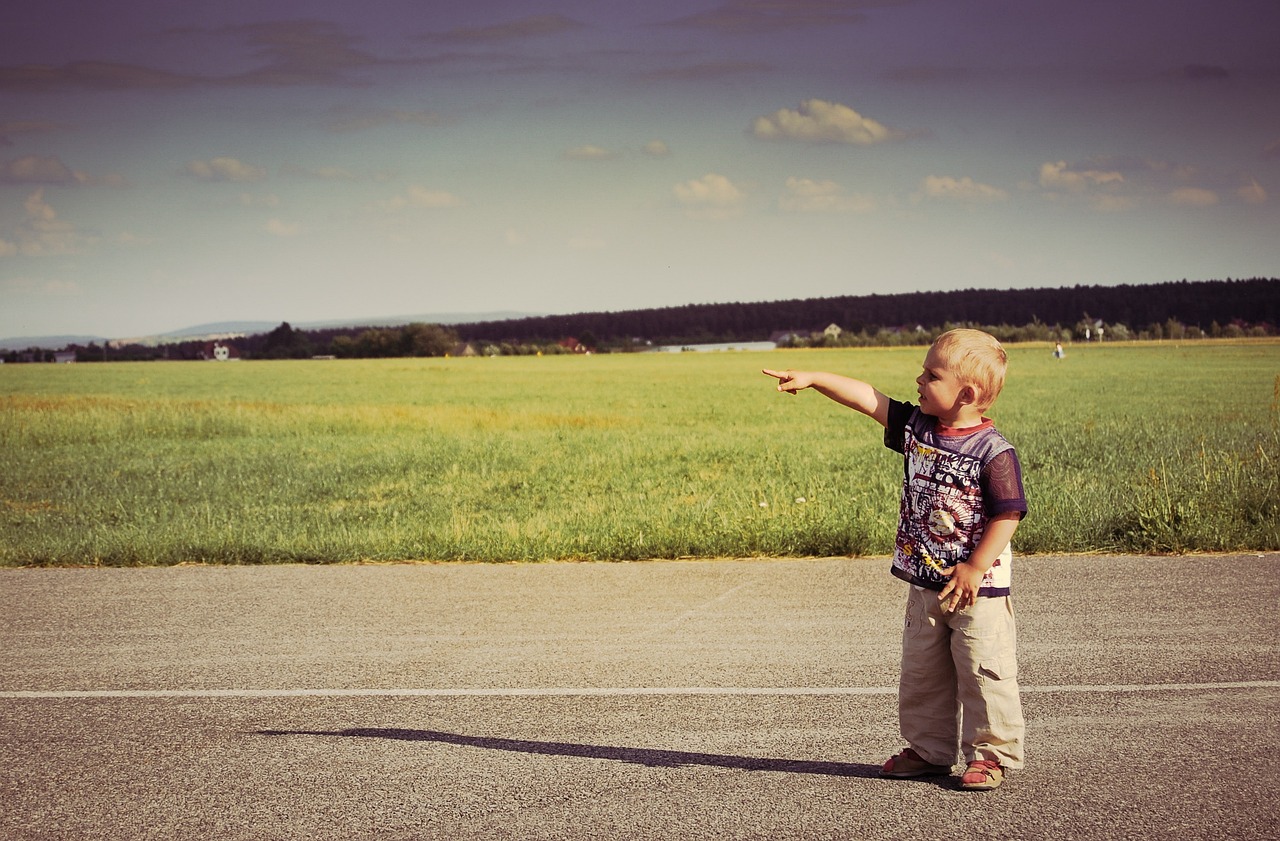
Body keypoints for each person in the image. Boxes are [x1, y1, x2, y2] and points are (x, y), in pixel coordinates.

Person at [763, 328, 1027, 791]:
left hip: (976, 588)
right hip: (925, 581)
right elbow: (869, 399)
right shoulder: (916, 428)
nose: (919, 379)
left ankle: (991, 754)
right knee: (923, 672)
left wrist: (975, 565)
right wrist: (814, 376)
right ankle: (929, 751)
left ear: (966, 394)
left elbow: (1008, 515)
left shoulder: (994, 452)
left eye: (932, 375)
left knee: (984, 670)